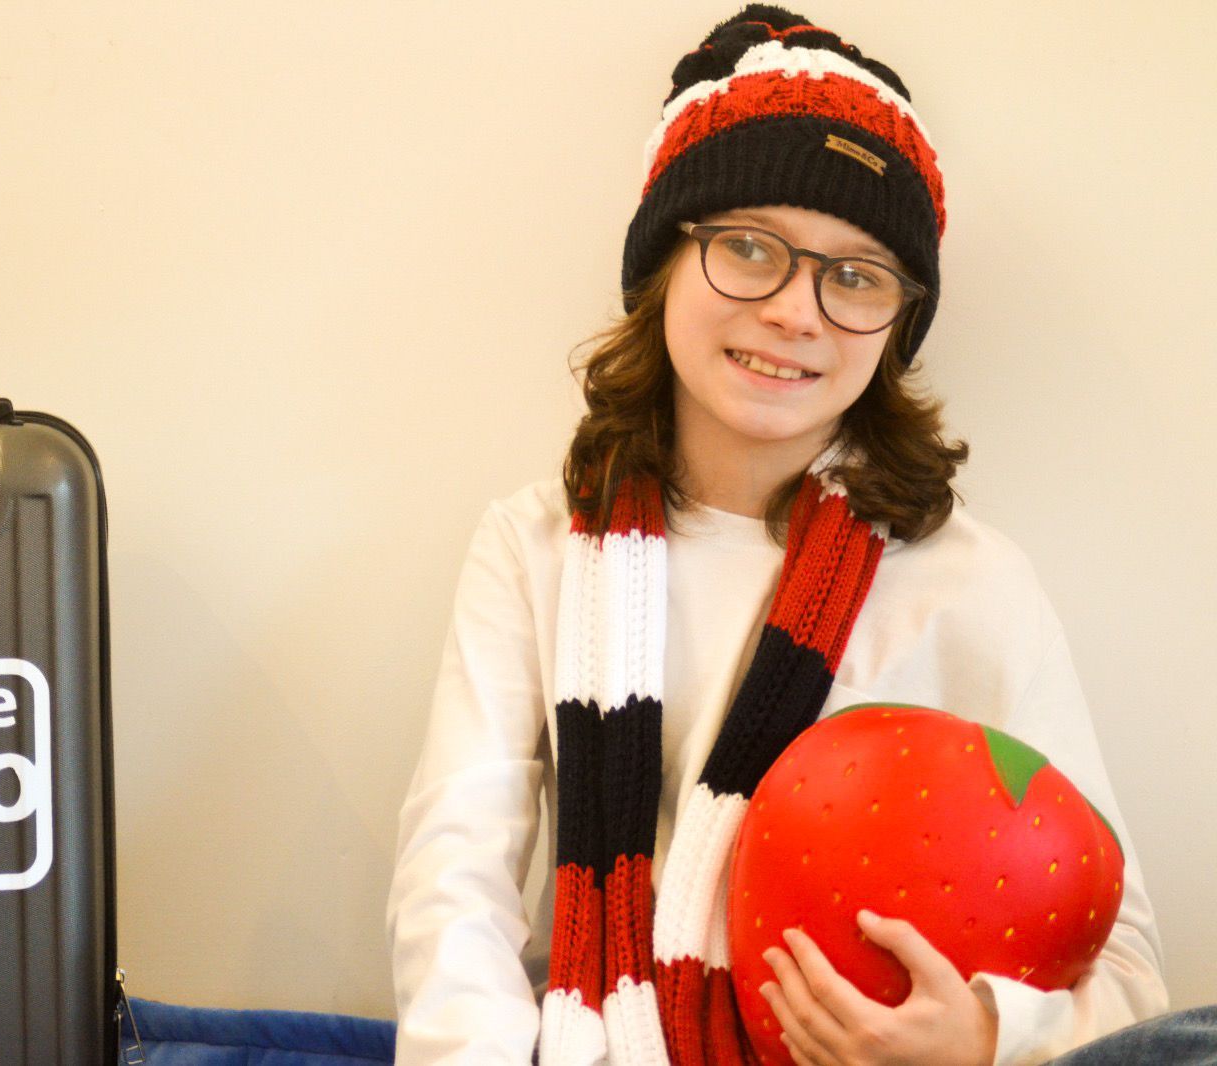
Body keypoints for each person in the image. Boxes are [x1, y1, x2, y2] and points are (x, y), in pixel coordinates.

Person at [384, 5, 1168, 1065]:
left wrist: (981, 1035)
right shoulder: (533, 546)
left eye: (856, 275)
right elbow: (454, 890)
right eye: (749, 248)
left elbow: (1127, 968)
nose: (797, 312)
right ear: (665, 264)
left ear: (896, 324)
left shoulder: (970, 581)